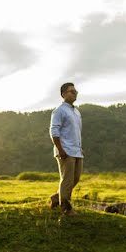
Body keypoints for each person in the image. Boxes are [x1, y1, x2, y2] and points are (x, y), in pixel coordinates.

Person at [49, 82, 83, 215]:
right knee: (67, 180)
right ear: (63, 94)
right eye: (71, 91)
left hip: (77, 151)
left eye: (75, 91)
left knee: (75, 178)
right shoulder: (59, 111)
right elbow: (54, 131)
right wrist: (60, 149)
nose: (75, 93)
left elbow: (75, 132)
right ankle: (66, 208)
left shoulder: (76, 112)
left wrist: (80, 147)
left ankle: (56, 198)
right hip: (65, 150)